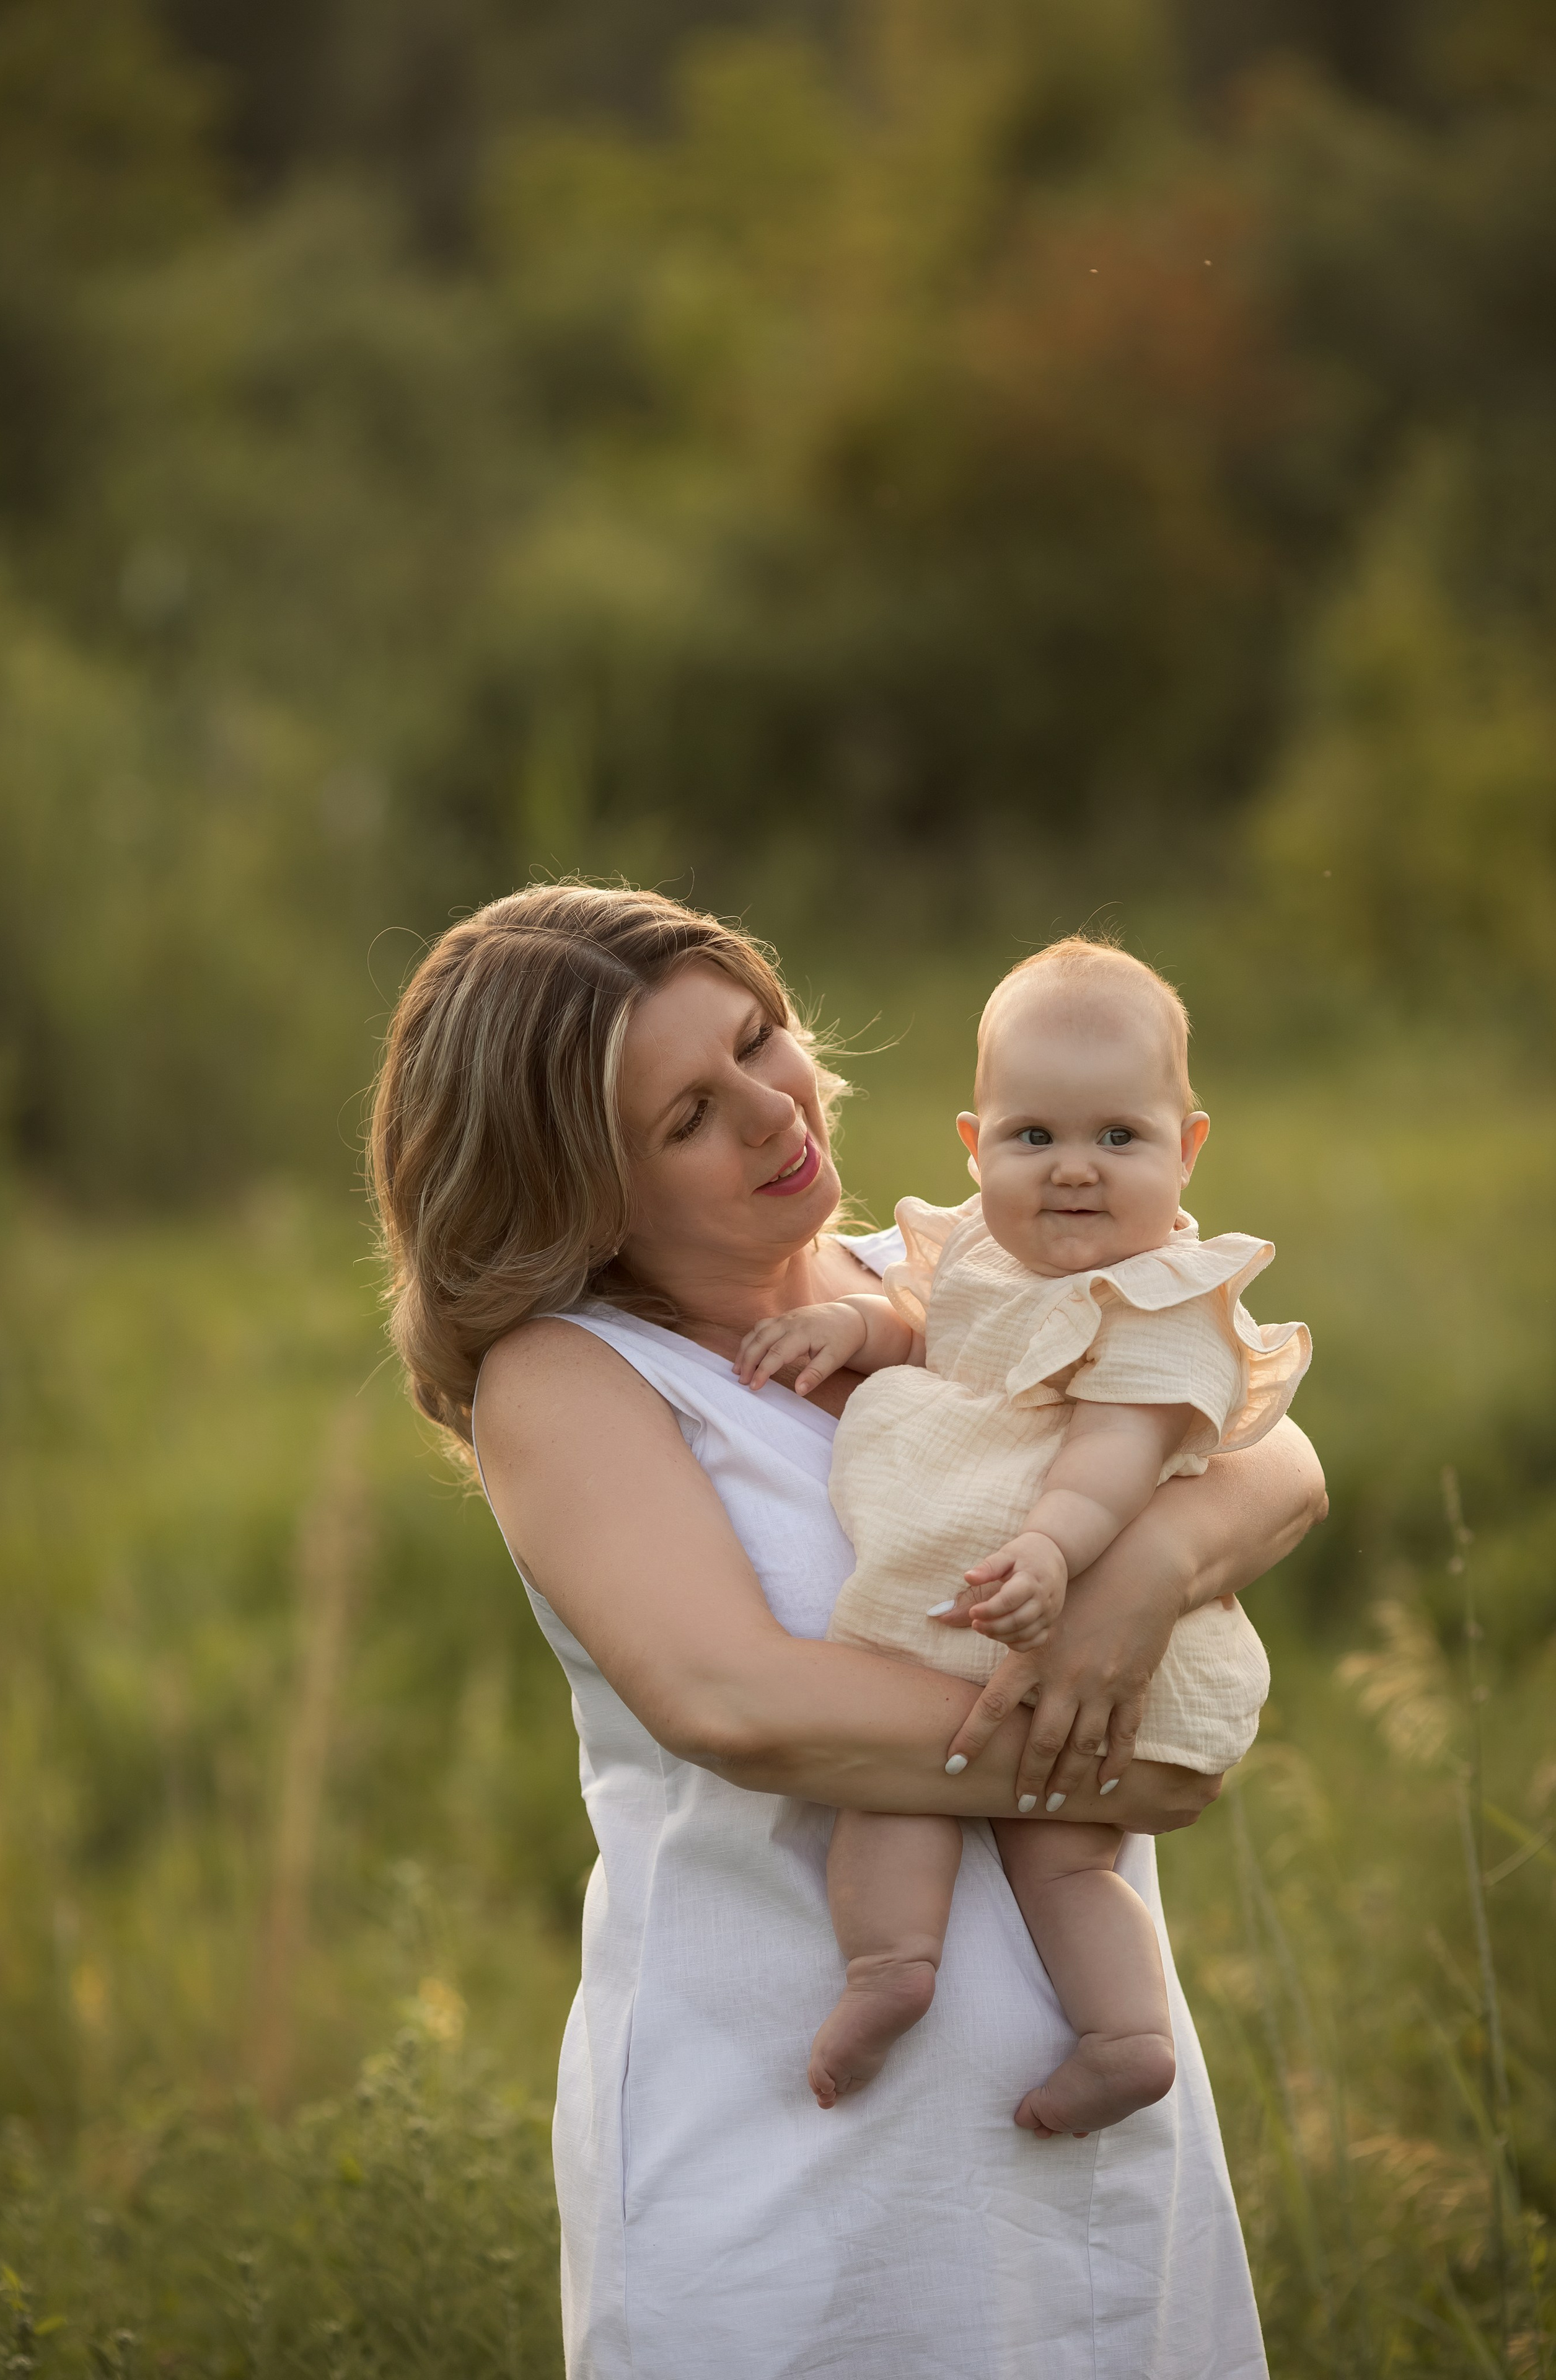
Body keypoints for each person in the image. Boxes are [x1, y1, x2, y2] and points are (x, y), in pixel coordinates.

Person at [369, 882, 1327, 2380]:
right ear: (579, 1191)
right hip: (797, 2165)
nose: (773, 1108)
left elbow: (1271, 1449)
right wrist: (1112, 1755)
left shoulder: (940, 1272)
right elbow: (736, 1702)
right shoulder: (569, 1380)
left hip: (1090, 2147)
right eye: (689, 1114)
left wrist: (1137, 1583)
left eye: (757, 1038)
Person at [734, 940, 1311, 2135]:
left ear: (1188, 1147)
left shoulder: (1166, 1300)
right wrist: (853, 1328)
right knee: (895, 1799)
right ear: (975, 1144)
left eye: (1120, 1137)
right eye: (1034, 1136)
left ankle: (1127, 2038)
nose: (1075, 1170)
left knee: (1065, 1860)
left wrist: (1052, 1549)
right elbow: (934, 1335)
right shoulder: (980, 1256)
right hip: (954, 1621)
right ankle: (890, 1970)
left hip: (1072, 1614)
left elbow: (1114, 1453)